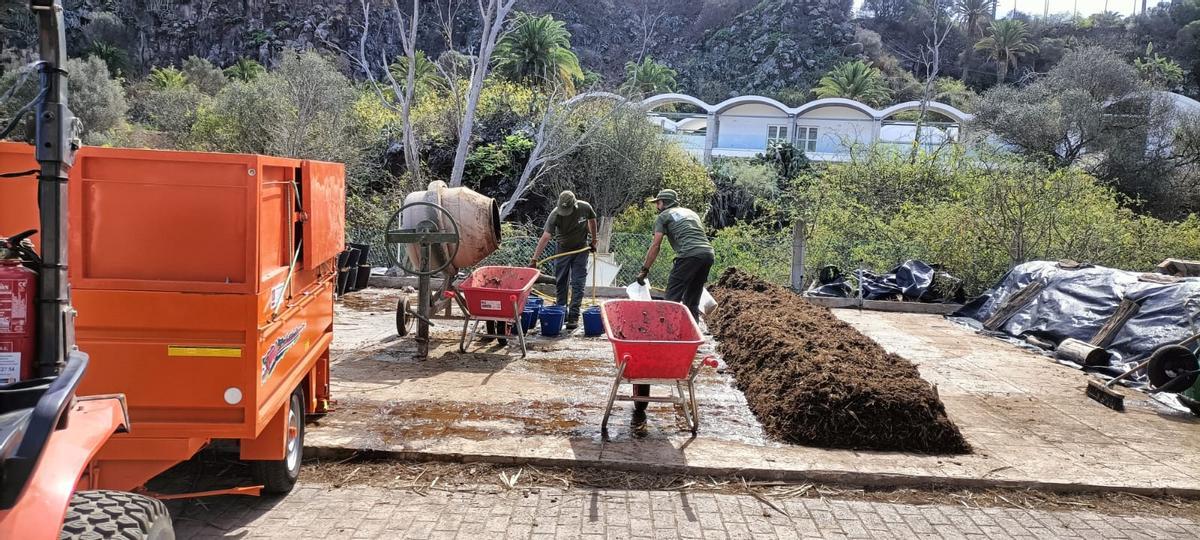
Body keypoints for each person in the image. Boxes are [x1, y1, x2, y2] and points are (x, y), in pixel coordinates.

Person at [632, 189, 714, 422]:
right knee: (691, 302)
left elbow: (656, 244)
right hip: (707, 254)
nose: (655, 206)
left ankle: (666, 342)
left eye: (657, 202)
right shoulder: (690, 212)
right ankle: (690, 344)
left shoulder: (664, 216)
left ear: (662, 203)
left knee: (671, 302)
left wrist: (644, 270)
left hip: (687, 256)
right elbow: (696, 238)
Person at [530, 190, 598, 331]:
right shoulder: (555, 215)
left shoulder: (585, 207)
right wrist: (534, 258)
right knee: (561, 281)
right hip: (562, 249)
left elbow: (592, 220)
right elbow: (546, 237)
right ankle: (561, 312)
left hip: (581, 249)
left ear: (575, 205)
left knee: (578, 282)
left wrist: (594, 240)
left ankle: (573, 316)